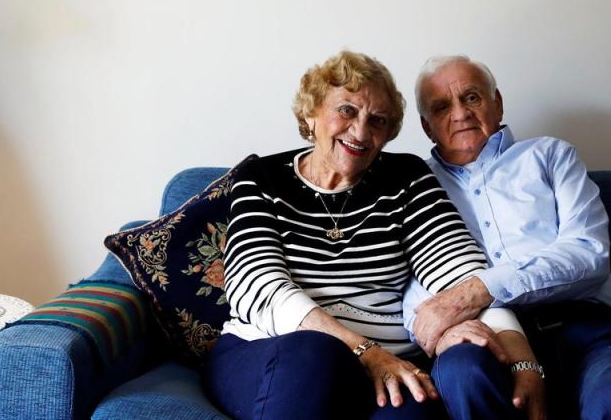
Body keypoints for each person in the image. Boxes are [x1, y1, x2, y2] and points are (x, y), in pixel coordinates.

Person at [204, 50, 540, 420]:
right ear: (310, 113)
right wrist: (366, 352)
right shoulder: (261, 179)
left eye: (377, 120)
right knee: (313, 355)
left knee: (416, 410)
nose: (361, 132)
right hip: (274, 354)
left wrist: (522, 362)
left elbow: (463, 278)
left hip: (388, 369)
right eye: (346, 110)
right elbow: (261, 286)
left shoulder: (406, 180)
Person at [403, 55, 611, 420]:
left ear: (498, 102)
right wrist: (431, 329)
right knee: (462, 372)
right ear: (427, 127)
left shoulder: (551, 155)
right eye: (442, 106)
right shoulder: (414, 187)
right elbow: (410, 284)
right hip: (485, 336)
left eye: (472, 97)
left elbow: (587, 254)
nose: (459, 114)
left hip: (583, 326)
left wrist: (479, 289)